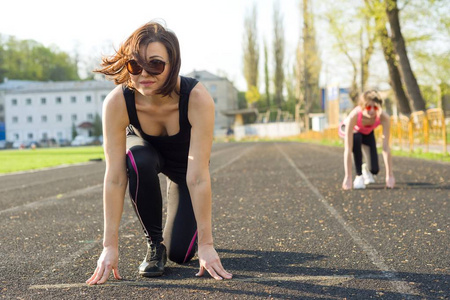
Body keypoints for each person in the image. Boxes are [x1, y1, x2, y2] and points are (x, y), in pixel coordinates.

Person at [86, 21, 232, 285]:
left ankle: (177, 234)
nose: (144, 73)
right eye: (135, 65)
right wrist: (109, 246)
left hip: (184, 169)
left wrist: (207, 245)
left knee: (182, 254)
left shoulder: (197, 98)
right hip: (145, 154)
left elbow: (198, 177)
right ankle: (155, 245)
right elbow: (115, 178)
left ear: (173, 63)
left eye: (155, 64)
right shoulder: (118, 102)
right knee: (137, 160)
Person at [340, 90, 395, 190]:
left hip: (367, 133)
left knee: (374, 169)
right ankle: (359, 175)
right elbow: (348, 149)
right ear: (362, 106)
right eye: (368, 107)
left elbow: (386, 147)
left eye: (376, 107)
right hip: (352, 131)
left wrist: (390, 175)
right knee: (357, 138)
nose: (372, 111)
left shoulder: (384, 117)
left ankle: (366, 169)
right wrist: (347, 177)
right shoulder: (354, 116)